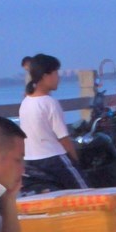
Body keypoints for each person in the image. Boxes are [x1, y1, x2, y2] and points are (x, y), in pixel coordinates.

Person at [18, 54, 83, 190]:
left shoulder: (25, 102)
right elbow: (63, 139)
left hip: (31, 160)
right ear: (45, 76)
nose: (58, 77)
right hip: (54, 159)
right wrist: (76, 161)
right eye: (56, 73)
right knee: (86, 191)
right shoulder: (50, 103)